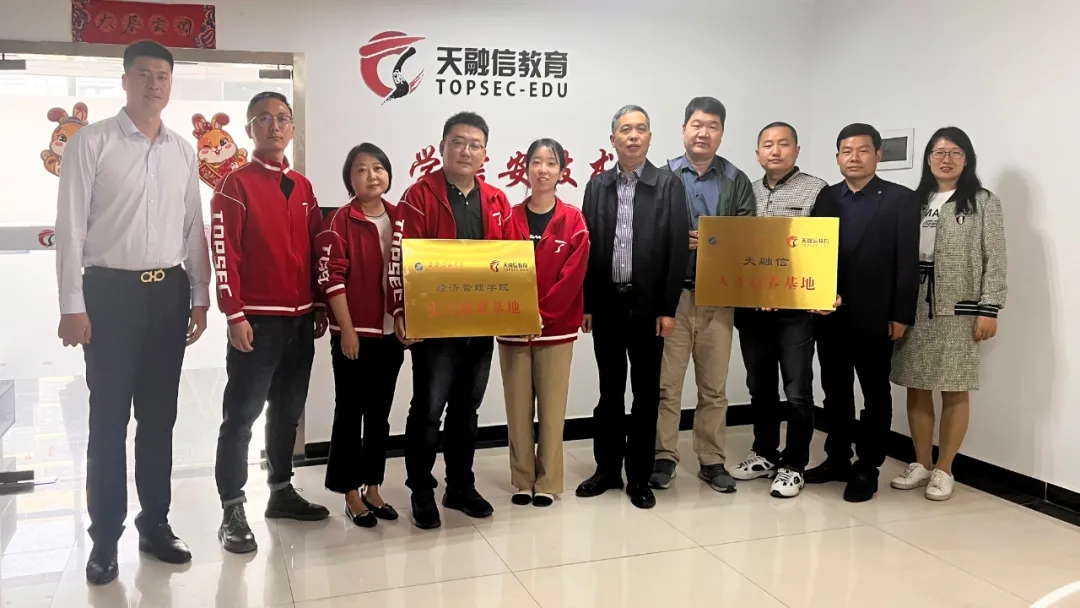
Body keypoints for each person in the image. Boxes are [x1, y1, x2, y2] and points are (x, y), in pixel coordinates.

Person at [54, 40, 211, 585]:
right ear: (124, 80)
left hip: (167, 292)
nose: (154, 84)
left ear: (171, 84)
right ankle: (104, 538)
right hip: (109, 295)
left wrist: (199, 293)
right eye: (143, 74)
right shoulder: (90, 143)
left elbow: (192, 226)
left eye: (162, 75)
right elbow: (71, 227)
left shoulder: (183, 150)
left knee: (159, 418)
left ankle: (155, 523)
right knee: (108, 418)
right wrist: (71, 304)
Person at [212, 91, 330, 554]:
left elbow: (316, 246)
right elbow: (224, 252)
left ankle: (281, 490)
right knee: (241, 415)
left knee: (288, 411)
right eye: (264, 118)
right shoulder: (235, 185)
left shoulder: (302, 186)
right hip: (256, 321)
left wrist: (319, 304)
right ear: (249, 129)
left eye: (283, 118)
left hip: (300, 320)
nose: (275, 126)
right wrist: (234, 313)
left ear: (293, 129)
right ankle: (232, 507)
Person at [387, 111, 513, 529]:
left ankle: (460, 486)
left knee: (467, 409)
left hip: (479, 323)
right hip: (434, 324)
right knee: (428, 408)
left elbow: (510, 261)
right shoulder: (419, 195)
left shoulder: (496, 201)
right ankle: (421, 490)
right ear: (442, 147)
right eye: (458, 142)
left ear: (485, 153)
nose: (466, 151)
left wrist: (515, 311)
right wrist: (401, 308)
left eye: (475, 145)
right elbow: (400, 255)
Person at [577, 105, 690, 509]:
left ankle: (639, 477)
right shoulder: (597, 186)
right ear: (613, 139)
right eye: (625, 129)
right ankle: (607, 470)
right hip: (607, 305)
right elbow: (586, 247)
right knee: (609, 392)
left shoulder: (668, 185)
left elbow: (677, 249)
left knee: (645, 395)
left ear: (649, 138)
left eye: (641, 129)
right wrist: (587, 302)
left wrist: (668, 309)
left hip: (649, 309)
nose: (633, 136)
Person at [889, 127, 1007, 501]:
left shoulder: (983, 202)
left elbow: (995, 258)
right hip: (914, 302)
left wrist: (989, 308)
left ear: (967, 159)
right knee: (917, 383)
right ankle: (922, 463)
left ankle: (945, 468)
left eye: (955, 152)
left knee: (955, 386)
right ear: (928, 159)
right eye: (939, 152)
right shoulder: (913, 201)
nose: (946, 159)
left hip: (960, 306)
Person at [806, 123, 920, 503]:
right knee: (835, 392)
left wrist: (901, 315)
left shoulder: (901, 199)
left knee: (875, 394)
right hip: (830, 315)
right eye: (846, 151)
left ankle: (868, 466)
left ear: (878, 155)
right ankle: (837, 458)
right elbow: (814, 253)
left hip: (877, 316)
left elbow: (907, 263)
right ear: (837, 156)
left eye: (863, 150)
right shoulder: (826, 197)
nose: (854, 157)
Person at [650, 96, 755, 494]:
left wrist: (716, 243)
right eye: (697, 124)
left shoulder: (736, 180)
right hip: (673, 297)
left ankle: (711, 459)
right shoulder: (662, 177)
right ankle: (664, 456)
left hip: (718, 298)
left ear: (721, 133)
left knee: (714, 388)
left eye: (712, 126)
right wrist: (678, 241)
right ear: (683, 130)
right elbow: (649, 233)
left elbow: (747, 235)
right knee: (667, 386)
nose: (703, 132)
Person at [729, 122, 831, 499]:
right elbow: (737, 246)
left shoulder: (817, 190)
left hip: (795, 311)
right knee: (760, 387)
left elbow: (825, 249)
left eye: (783, 144)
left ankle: (794, 464)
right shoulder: (746, 191)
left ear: (796, 150)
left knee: (797, 390)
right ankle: (765, 453)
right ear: (757, 154)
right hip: (752, 308)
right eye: (768, 145)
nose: (775, 151)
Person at [497, 138, 590, 507]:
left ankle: (549, 482)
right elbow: (495, 267)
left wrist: (543, 314)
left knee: (552, 411)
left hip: (556, 331)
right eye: (536, 162)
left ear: (562, 172)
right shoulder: (508, 218)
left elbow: (573, 275)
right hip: (512, 330)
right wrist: (519, 313)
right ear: (525, 169)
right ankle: (523, 480)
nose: (543, 170)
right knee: (517, 410)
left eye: (551, 163)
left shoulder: (573, 220)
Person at [316, 143, 405, 526]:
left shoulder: (401, 218)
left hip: (390, 333)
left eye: (378, 168)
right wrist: (347, 332)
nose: (372, 176)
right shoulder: (339, 221)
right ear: (349, 179)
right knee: (351, 412)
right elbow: (331, 279)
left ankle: (373, 486)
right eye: (362, 169)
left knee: (380, 415)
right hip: (353, 335)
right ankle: (350, 492)